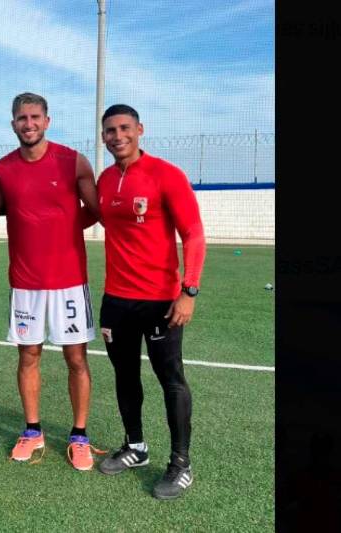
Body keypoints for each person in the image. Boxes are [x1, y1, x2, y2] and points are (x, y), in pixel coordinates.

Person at [0, 92, 102, 471]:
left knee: (75, 358)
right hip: (26, 283)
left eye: (35, 117)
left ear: (47, 120)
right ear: (12, 122)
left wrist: (61, 229)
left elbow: (96, 211)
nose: (28, 124)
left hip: (68, 281)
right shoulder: (3, 169)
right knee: (27, 356)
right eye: (21, 118)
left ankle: (79, 435)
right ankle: (33, 430)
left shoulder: (73, 162)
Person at [95, 104, 206, 500]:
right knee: (125, 376)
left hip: (160, 301)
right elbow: (81, 216)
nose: (117, 135)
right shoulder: (105, 180)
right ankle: (136, 447)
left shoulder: (166, 175)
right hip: (116, 302)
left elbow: (193, 233)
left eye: (125, 128)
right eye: (110, 130)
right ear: (103, 135)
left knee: (170, 379)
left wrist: (188, 291)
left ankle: (180, 463)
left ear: (140, 130)